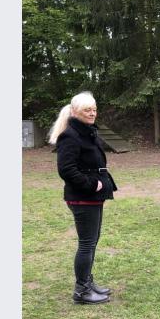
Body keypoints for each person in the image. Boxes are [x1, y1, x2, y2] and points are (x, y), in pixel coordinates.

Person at [48, 91, 118, 305]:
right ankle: (81, 291)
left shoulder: (86, 132)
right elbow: (66, 169)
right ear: (75, 112)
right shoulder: (71, 135)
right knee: (87, 243)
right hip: (82, 196)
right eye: (87, 110)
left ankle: (87, 282)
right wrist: (91, 184)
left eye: (94, 109)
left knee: (92, 240)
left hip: (93, 196)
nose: (92, 113)